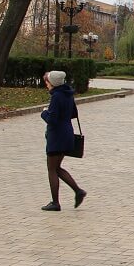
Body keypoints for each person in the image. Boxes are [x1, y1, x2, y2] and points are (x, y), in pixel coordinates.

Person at [40, 70, 86, 211]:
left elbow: (52, 120)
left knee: (52, 169)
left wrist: (44, 113)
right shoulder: (68, 94)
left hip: (57, 136)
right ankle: (78, 191)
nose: (46, 85)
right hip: (67, 133)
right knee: (57, 168)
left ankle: (55, 203)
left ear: (52, 83)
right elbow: (73, 113)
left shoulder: (57, 97)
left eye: (47, 82)